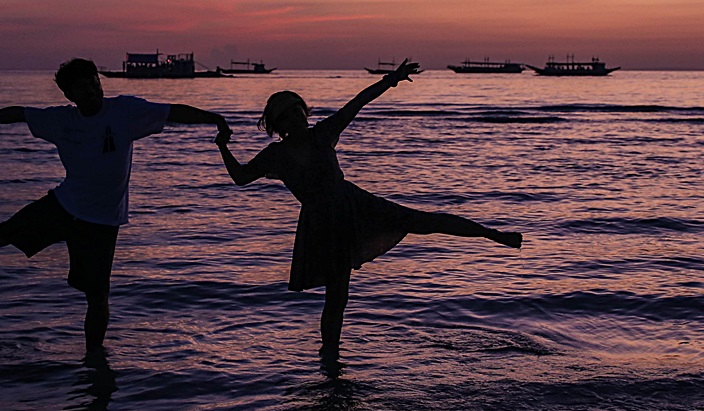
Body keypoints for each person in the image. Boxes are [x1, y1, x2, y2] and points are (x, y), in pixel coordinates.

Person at [0, 58, 229, 352]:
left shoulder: (125, 112)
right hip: (63, 206)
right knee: (0, 235)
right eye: (82, 87)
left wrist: (214, 118)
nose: (92, 90)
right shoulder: (61, 120)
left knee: (97, 297)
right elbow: (20, 113)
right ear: (69, 94)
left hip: (102, 222)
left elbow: (173, 112)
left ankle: (93, 360)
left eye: (94, 82)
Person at [215, 60, 521, 358]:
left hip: (354, 204)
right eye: (287, 116)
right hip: (321, 224)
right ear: (278, 125)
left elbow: (358, 102)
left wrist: (391, 80)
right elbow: (241, 177)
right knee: (337, 297)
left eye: (298, 110)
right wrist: (222, 147)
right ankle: (330, 357)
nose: (296, 118)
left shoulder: (323, 133)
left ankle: (492, 234)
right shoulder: (275, 155)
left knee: (422, 221)